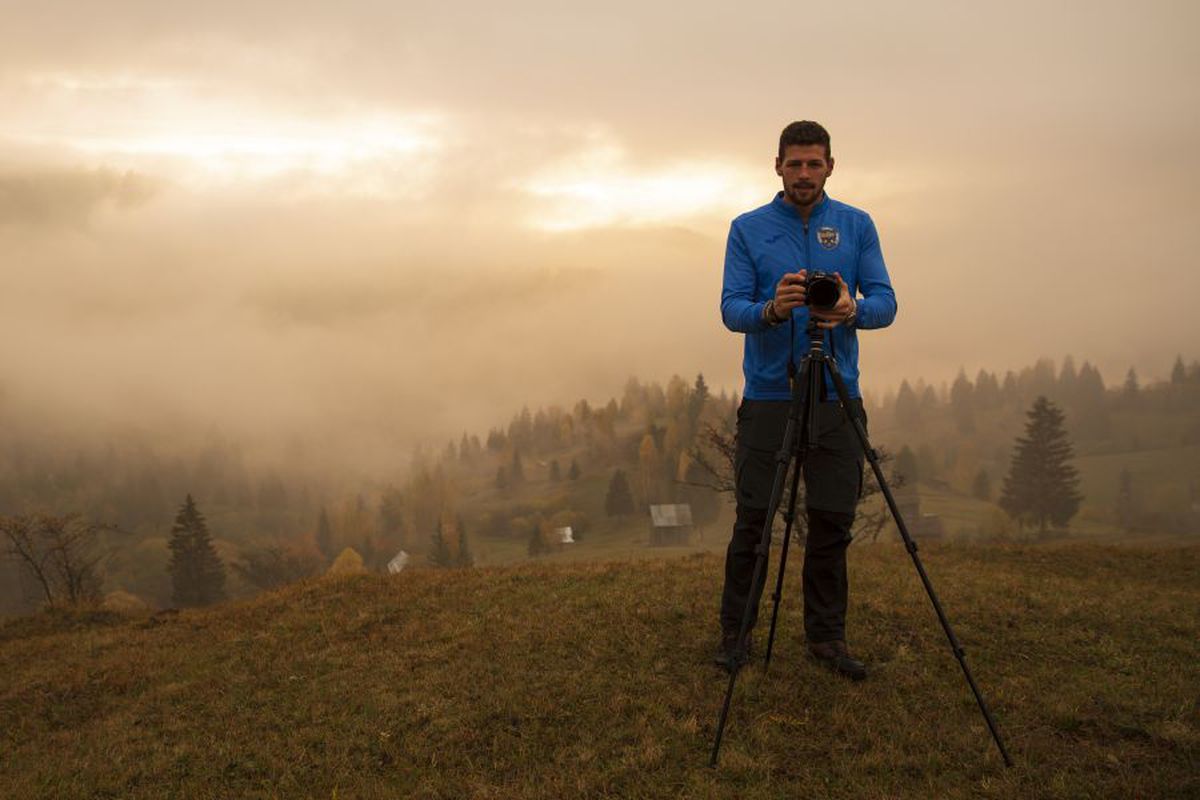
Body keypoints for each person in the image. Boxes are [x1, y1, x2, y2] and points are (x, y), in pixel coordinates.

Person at [715, 120, 897, 680]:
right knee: (753, 519)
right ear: (777, 166)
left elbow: (886, 303)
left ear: (830, 167)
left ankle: (827, 637)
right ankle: (735, 636)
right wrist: (774, 308)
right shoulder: (747, 229)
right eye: (794, 164)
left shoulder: (856, 224)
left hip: (837, 391)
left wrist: (850, 310)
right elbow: (730, 310)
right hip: (770, 395)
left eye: (813, 163)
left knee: (831, 520)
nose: (803, 174)